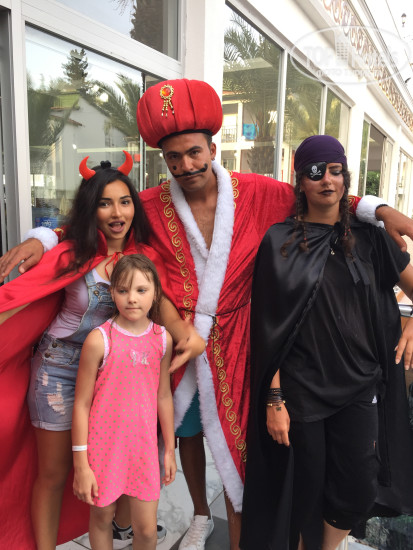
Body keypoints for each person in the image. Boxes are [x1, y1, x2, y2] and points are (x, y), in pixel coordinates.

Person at [2, 80, 413, 550]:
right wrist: (44, 237)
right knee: (166, 440)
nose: (186, 165)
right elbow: (99, 219)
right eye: (173, 157)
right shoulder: (151, 204)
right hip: (175, 345)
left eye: (194, 152)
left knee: (242, 464)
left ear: (213, 149)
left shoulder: (257, 192)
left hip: (241, 341)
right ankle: (185, 514)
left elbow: (318, 195)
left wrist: (376, 208)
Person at [0, 153, 204, 550]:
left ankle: (122, 525)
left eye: (124, 201)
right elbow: (26, 294)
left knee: (118, 457)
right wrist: (42, 239)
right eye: (105, 203)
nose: (117, 212)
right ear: (91, 209)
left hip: (114, 375)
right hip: (59, 371)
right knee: (55, 473)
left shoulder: (144, 258)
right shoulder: (69, 252)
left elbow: (163, 304)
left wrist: (185, 333)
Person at [240, 135, 413, 550]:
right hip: (303, 391)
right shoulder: (279, 241)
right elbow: (267, 329)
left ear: (345, 177)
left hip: (360, 386)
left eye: (335, 171)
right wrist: (274, 399)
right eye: (315, 173)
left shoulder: (371, 238)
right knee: (307, 489)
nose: (327, 181)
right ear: (300, 181)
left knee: (357, 488)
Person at [72, 254, 177, 550]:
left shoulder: (162, 339)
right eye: (123, 290)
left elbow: (163, 395)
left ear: (155, 292)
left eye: (141, 290)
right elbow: (81, 404)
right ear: (112, 292)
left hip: (143, 449)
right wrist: (81, 464)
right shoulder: (99, 340)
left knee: (146, 530)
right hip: (103, 449)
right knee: (102, 517)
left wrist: (169, 449)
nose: (132, 298)